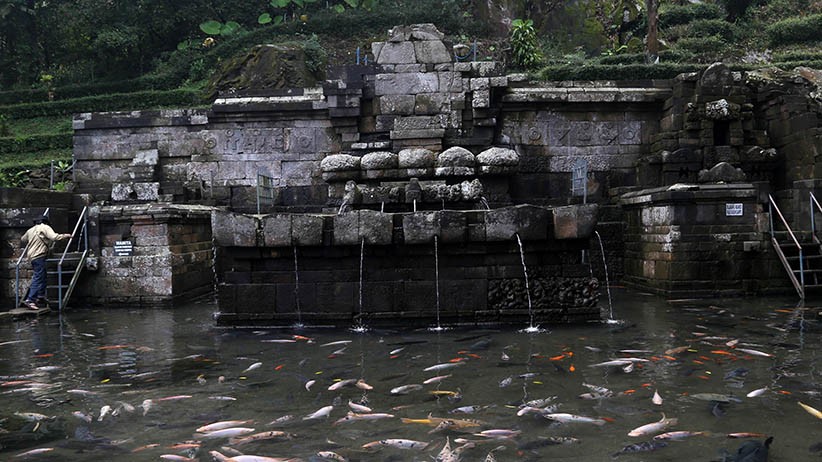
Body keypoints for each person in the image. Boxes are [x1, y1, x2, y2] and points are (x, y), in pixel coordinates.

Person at [20, 214, 71, 310]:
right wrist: (66, 236)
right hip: (39, 255)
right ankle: (30, 300)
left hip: (32, 256)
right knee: (38, 277)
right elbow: (54, 237)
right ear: (46, 222)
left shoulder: (31, 230)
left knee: (42, 276)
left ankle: (40, 297)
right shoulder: (45, 227)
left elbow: (23, 239)